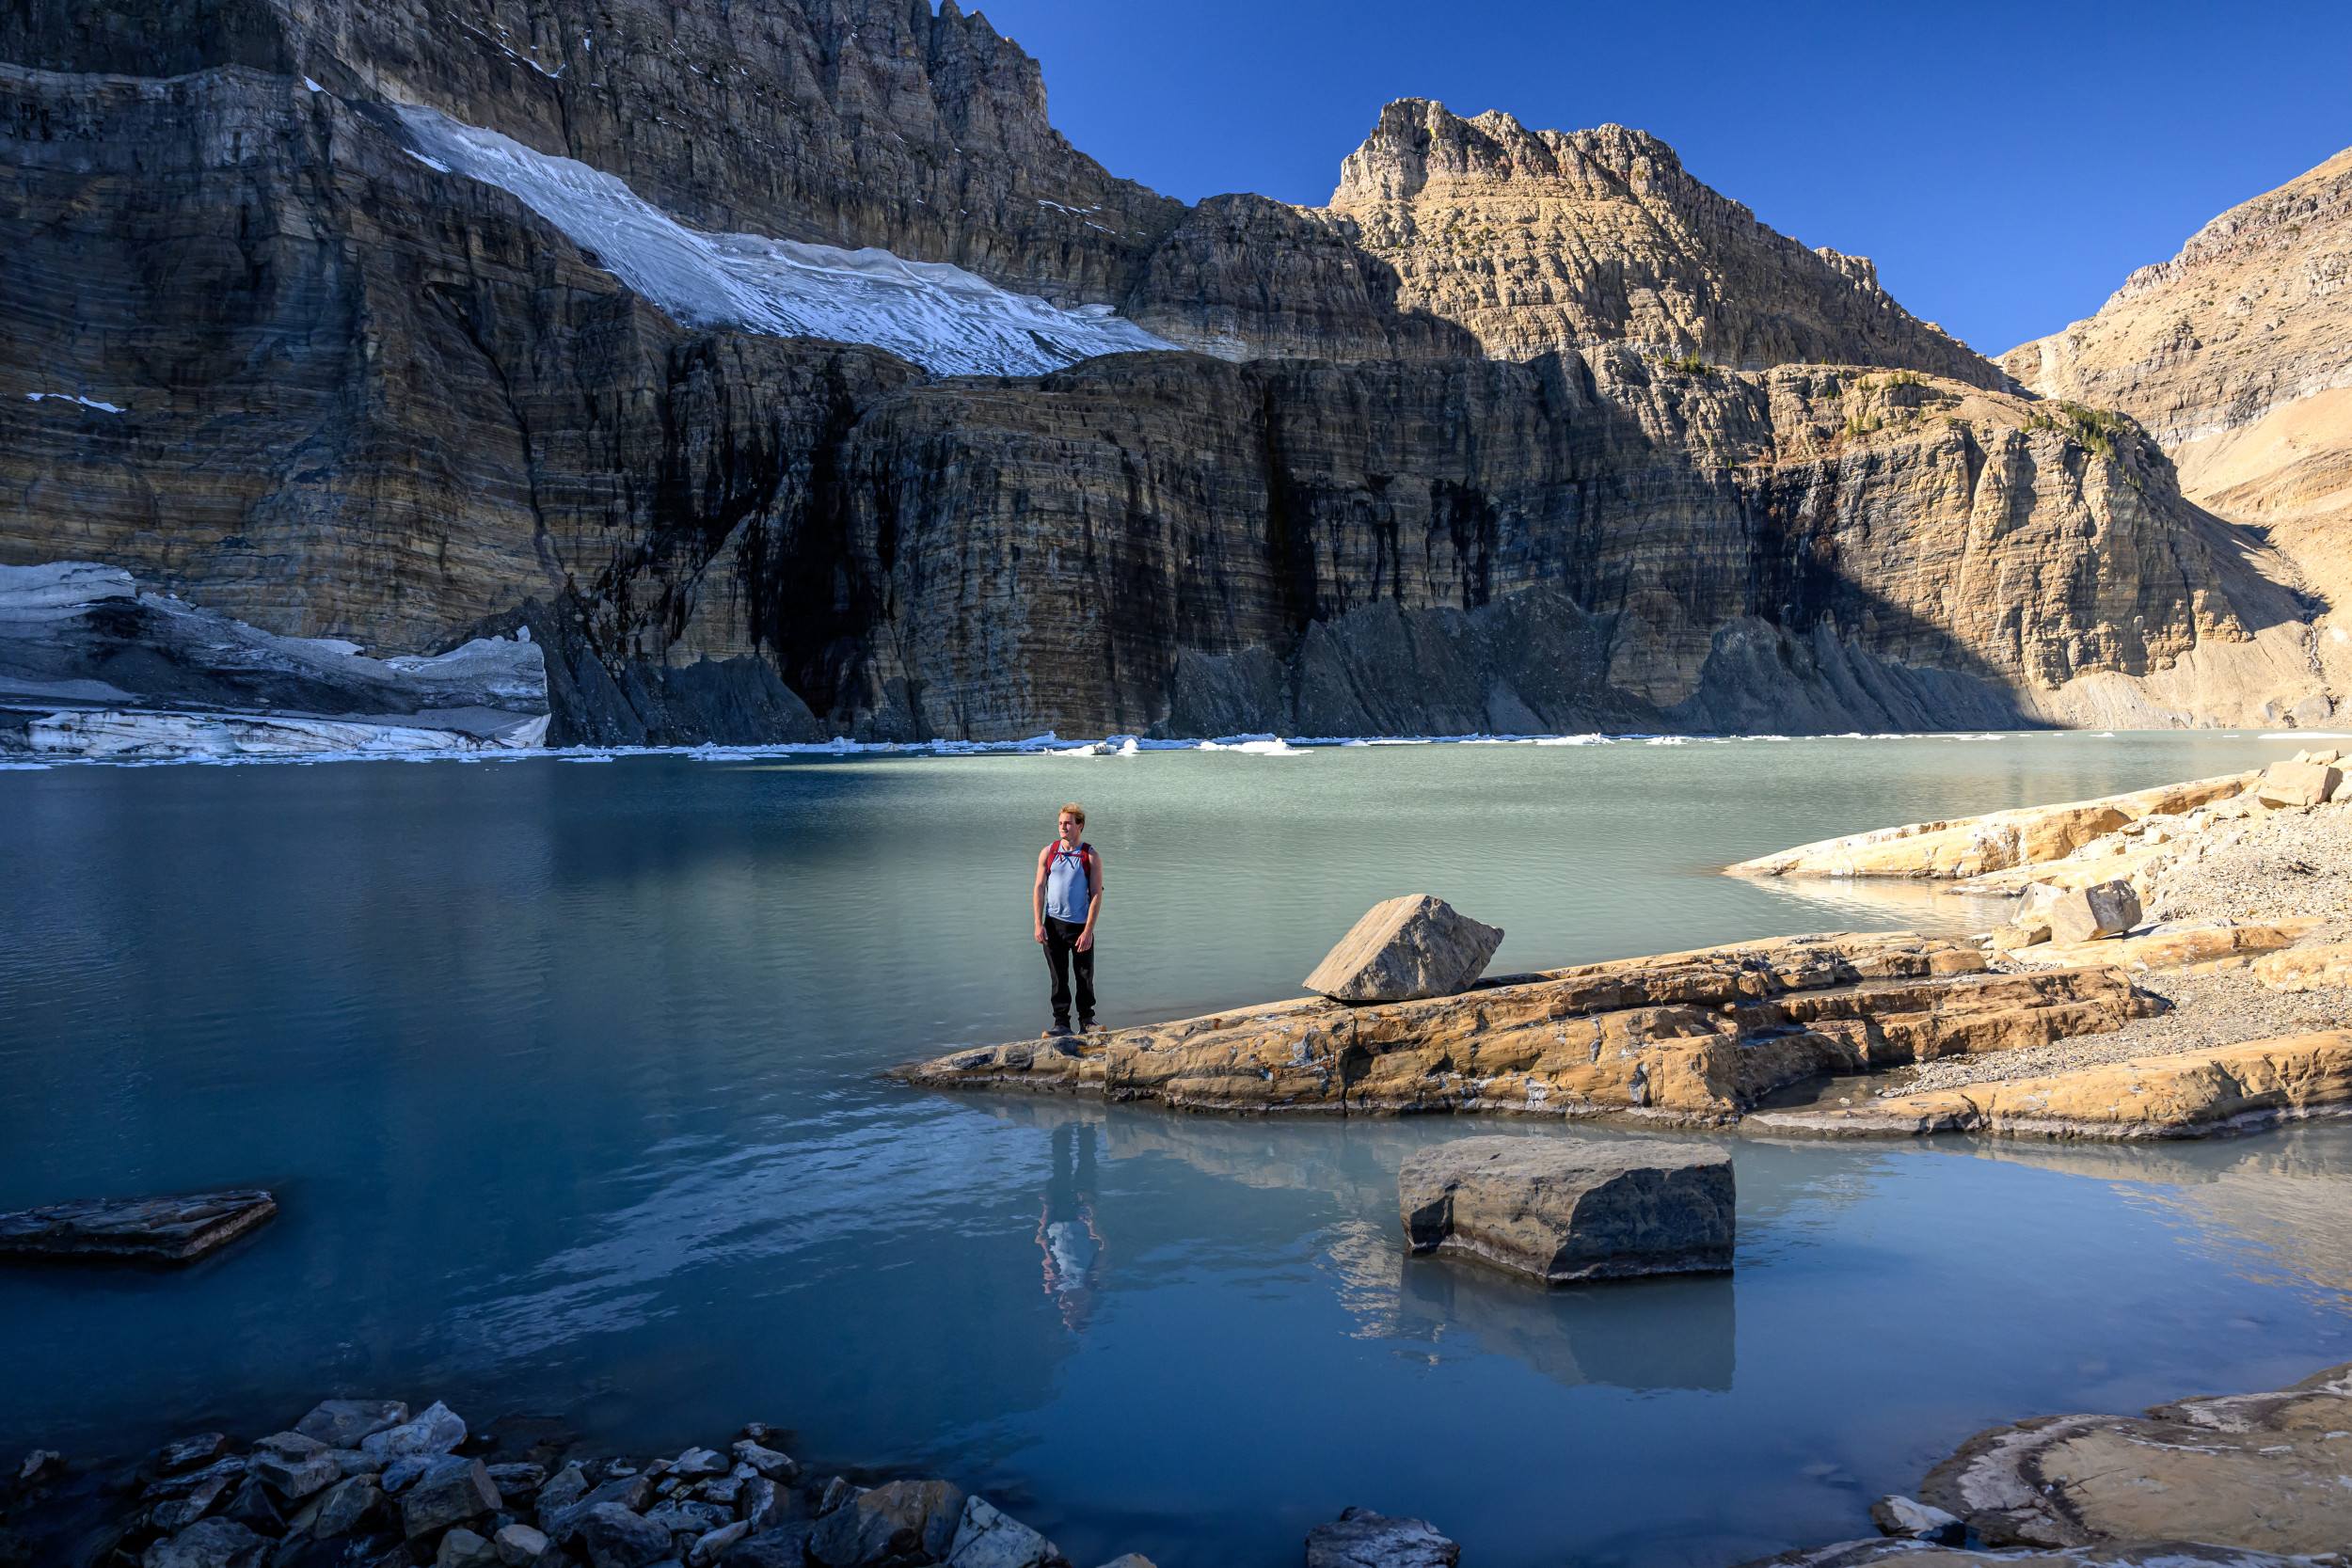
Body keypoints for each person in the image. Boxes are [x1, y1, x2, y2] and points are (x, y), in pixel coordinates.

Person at [1033, 802, 1104, 1037]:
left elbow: (1096, 895)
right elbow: (1039, 887)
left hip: (1080, 927)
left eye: (1068, 823)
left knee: (1084, 977)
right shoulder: (1049, 852)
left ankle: (1087, 1021)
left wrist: (1088, 931)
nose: (1063, 827)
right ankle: (1061, 1024)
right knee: (1058, 978)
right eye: (1060, 823)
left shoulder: (1090, 856)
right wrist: (1038, 923)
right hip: (1053, 925)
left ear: (1080, 825)